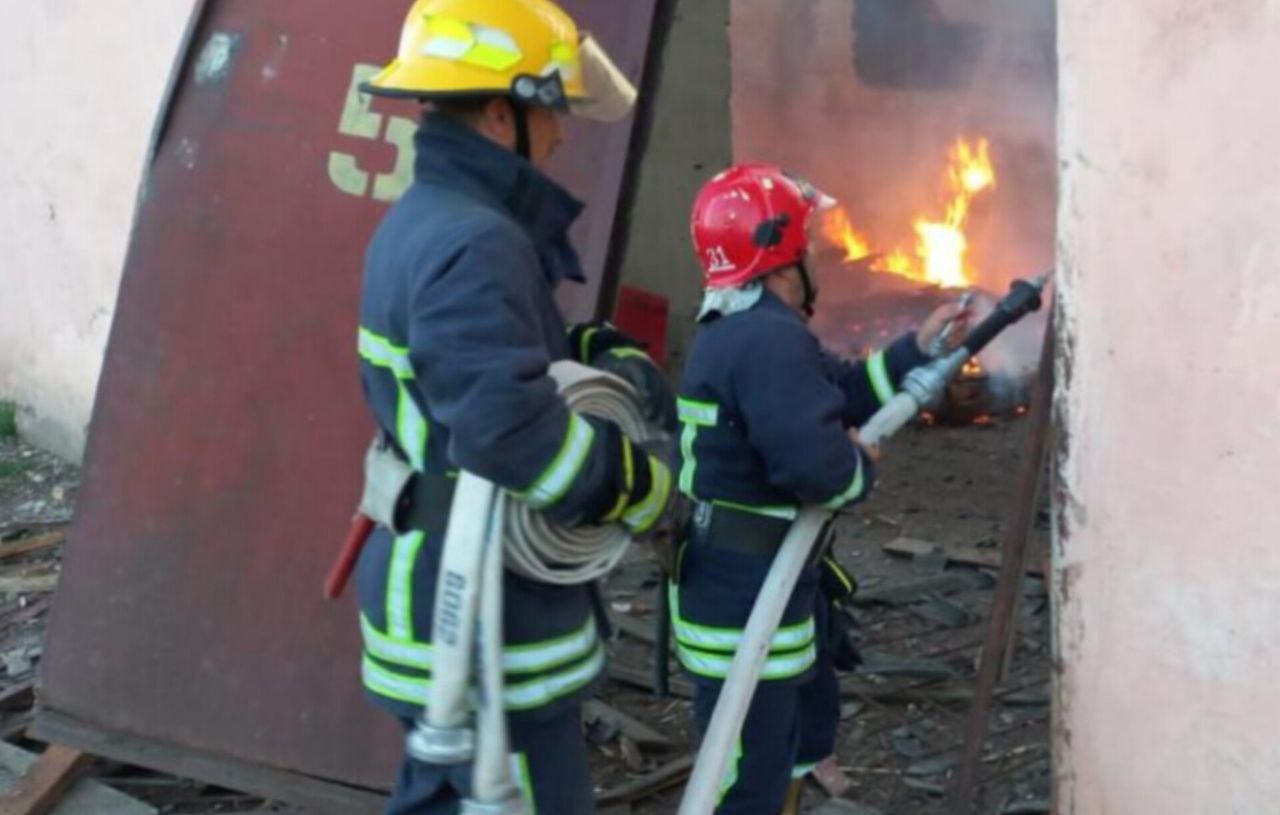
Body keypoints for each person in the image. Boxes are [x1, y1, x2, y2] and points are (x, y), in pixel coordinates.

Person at [353, 1, 680, 812]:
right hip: (483, 621)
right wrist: (643, 486)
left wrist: (579, 348)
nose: (564, 134)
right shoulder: (477, 241)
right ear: (502, 116)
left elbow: (470, 371)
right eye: (552, 111)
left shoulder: (432, 221)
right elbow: (513, 434)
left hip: (440, 605)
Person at [672, 163, 968, 814]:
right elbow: (819, 470)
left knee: (777, 753)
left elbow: (841, 391)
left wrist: (915, 351)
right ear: (782, 258)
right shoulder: (766, 343)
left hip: (749, 587)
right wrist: (856, 463)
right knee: (747, 777)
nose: (819, 254)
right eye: (809, 243)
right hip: (746, 599)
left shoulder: (749, 332)